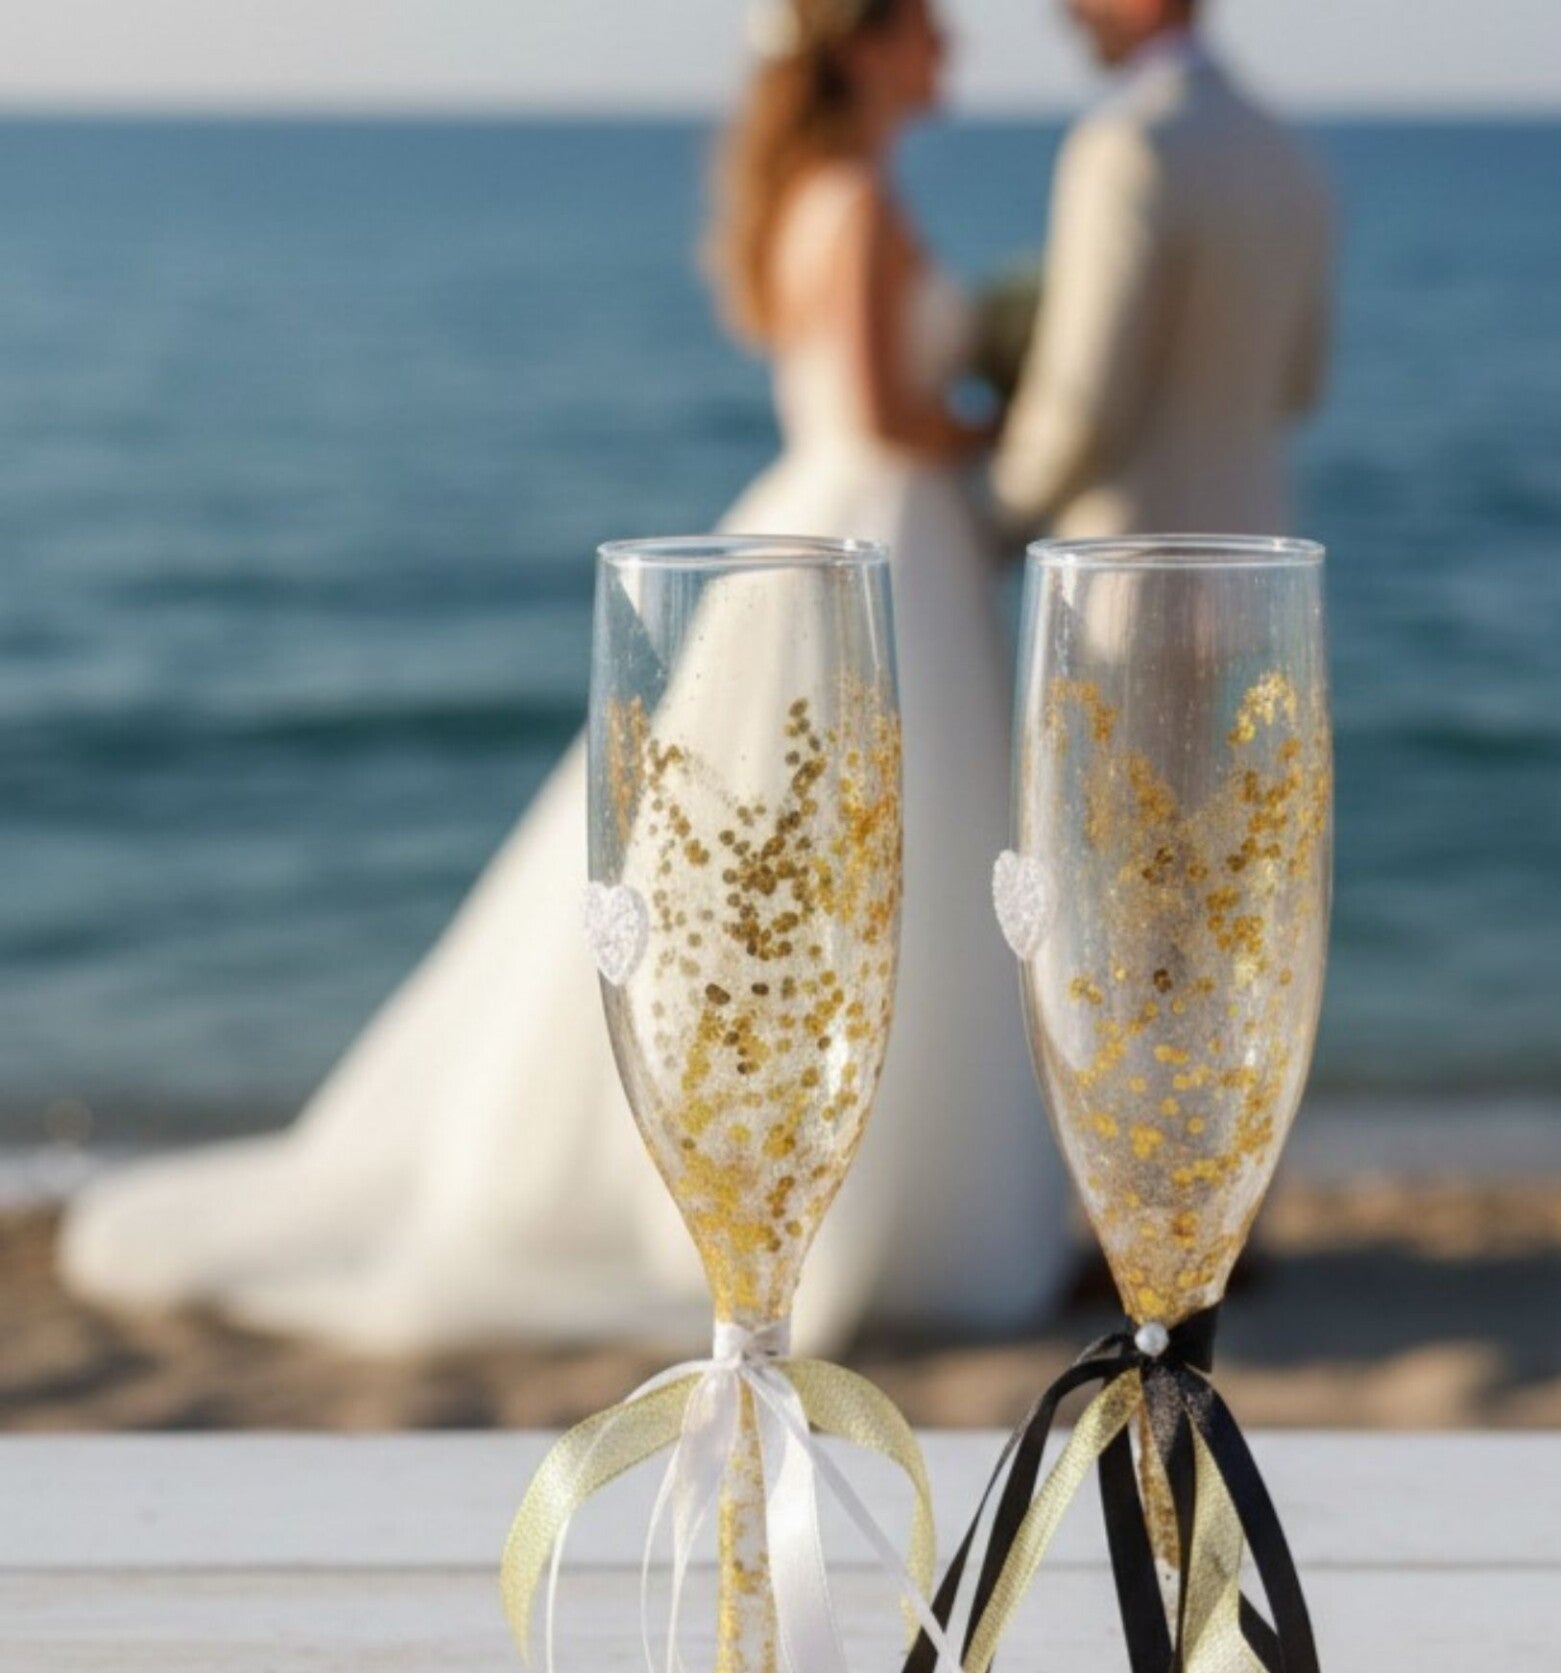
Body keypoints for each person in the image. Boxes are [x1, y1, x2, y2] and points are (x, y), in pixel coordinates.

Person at [60, 0, 1065, 1357]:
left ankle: (844, 1195)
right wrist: (1024, 419)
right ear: (868, 46)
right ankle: (851, 1208)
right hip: (868, 538)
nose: (949, 47)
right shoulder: (860, 205)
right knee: (844, 864)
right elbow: (886, 416)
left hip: (839, 528)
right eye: (927, 27)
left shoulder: (821, 198)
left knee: (798, 863)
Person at [993, 0, 1334, 541]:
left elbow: (1083, 402)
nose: (1070, 13)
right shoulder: (1288, 152)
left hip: (1130, 553)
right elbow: (1302, 383)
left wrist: (990, 513)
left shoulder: (1125, 145)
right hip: (1255, 551)